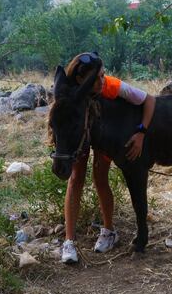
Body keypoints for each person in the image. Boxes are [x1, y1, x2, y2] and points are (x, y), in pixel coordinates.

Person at [59, 52, 156, 264]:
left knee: (100, 178)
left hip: (106, 136)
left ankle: (109, 231)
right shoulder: (68, 91)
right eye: (97, 78)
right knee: (76, 179)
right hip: (80, 136)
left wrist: (141, 132)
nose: (103, 80)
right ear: (79, 81)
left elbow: (149, 100)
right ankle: (69, 241)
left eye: (103, 75)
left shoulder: (111, 86)